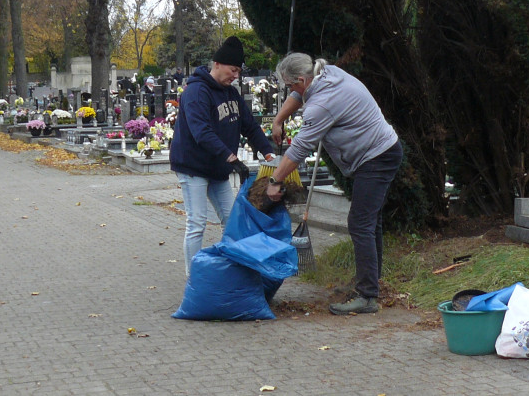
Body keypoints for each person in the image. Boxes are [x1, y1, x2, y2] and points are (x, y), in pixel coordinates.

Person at [264, 53, 402, 315]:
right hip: (381, 151)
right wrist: (278, 119)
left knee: (360, 223)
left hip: (377, 157)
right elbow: (298, 95)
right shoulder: (326, 72)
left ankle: (367, 296)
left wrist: (275, 181)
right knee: (370, 222)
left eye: (291, 84)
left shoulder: (322, 105)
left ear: (303, 79)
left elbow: (300, 148)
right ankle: (370, 283)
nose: (290, 91)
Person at [170, 36, 276, 276]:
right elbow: (201, 132)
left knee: (231, 219)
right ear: (217, 64)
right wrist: (231, 157)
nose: (235, 75)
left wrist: (268, 152)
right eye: (233, 69)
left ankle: (232, 270)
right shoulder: (197, 91)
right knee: (197, 222)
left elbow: (249, 125)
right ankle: (194, 277)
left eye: (238, 71)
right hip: (192, 166)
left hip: (217, 169)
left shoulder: (232, 94)